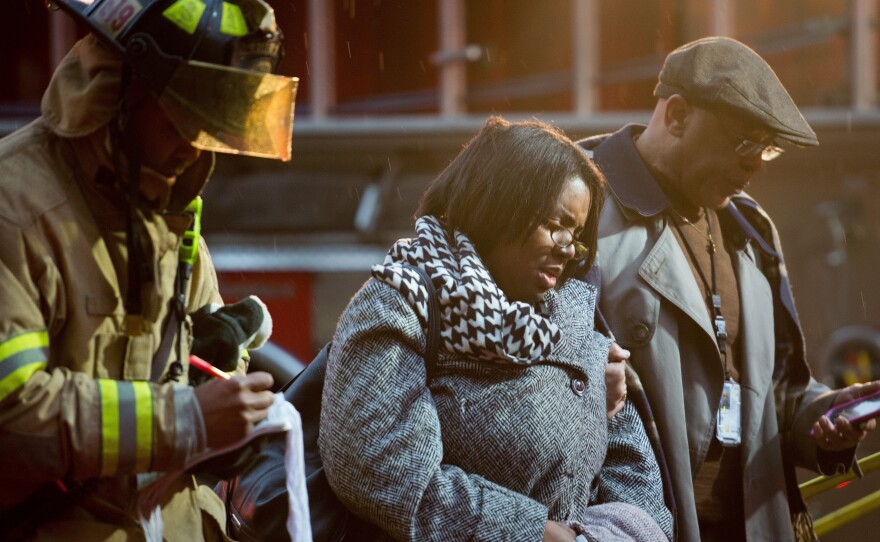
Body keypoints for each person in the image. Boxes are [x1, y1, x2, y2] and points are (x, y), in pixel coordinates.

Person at [0, 0, 298, 539]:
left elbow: (172, 399)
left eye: (213, 120)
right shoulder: (15, 207)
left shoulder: (166, 208)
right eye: (184, 114)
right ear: (118, 89)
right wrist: (187, 420)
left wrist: (215, 382)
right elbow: (14, 414)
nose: (195, 144)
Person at [577, 36, 880, 542]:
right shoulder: (577, 201)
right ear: (676, 116)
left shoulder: (751, 230)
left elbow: (779, 389)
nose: (757, 164)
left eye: (769, 148)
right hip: (633, 526)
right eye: (745, 142)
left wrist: (823, 420)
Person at [318, 116, 672, 541]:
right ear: (499, 206)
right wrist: (541, 534)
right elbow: (380, 467)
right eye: (555, 224)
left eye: (575, 233)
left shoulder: (573, 314)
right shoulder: (400, 302)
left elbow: (633, 469)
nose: (568, 248)